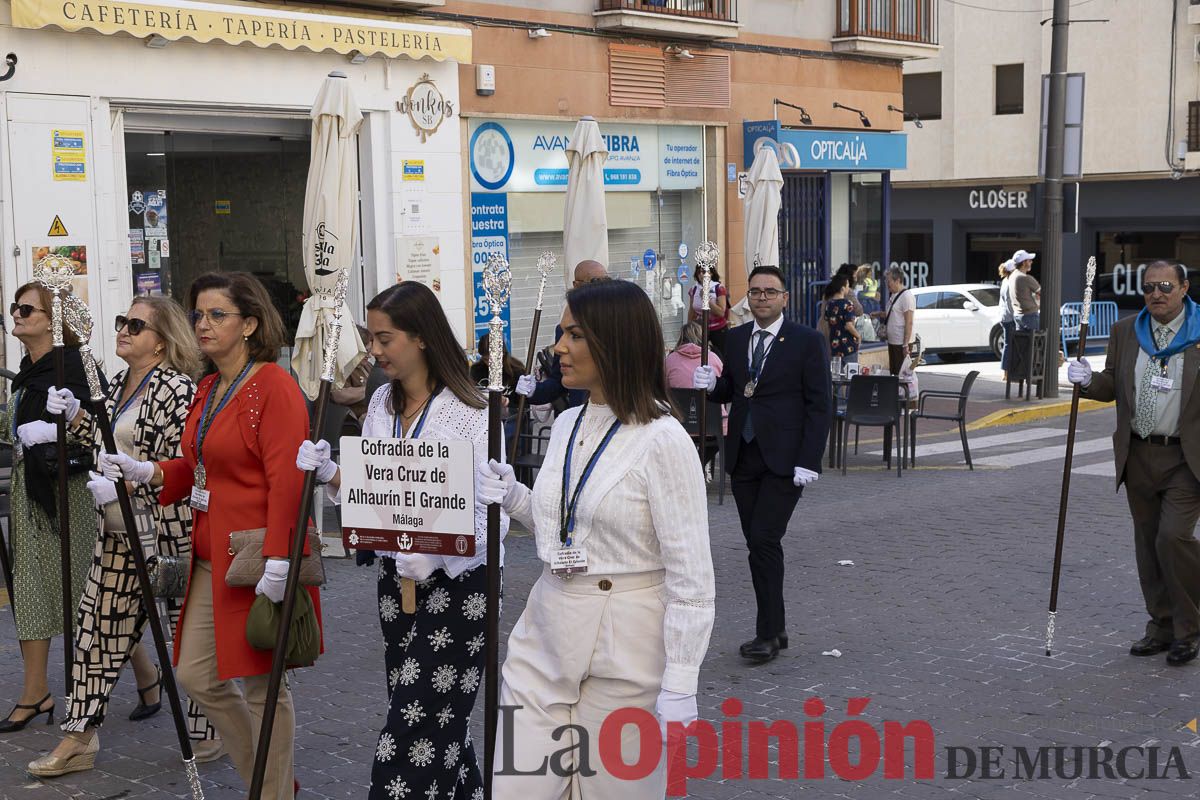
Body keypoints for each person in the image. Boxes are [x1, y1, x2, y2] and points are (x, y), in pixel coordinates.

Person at [478, 279, 715, 797]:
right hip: (546, 630)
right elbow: (563, 525)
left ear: (616, 342)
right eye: (561, 333)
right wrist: (514, 496)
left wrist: (681, 676)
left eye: (576, 335)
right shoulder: (565, 422)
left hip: (629, 645)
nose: (559, 347)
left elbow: (692, 575)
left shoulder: (664, 439)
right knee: (518, 788)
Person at [98, 272, 316, 800]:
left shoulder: (273, 386)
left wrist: (280, 560)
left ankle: (273, 793)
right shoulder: (210, 386)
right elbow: (196, 467)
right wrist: (145, 471)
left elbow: (288, 478)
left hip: (257, 554)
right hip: (209, 555)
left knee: (265, 685)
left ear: (250, 325)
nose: (203, 324)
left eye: (217, 314)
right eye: (198, 314)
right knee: (196, 674)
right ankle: (270, 781)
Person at [295, 281, 506, 800]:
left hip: (461, 589)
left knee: (413, 732)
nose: (375, 350)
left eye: (386, 339)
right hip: (397, 585)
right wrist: (330, 472)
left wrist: (436, 549)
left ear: (423, 338)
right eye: (372, 338)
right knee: (434, 720)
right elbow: (379, 491)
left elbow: (486, 509)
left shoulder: (472, 411)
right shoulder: (383, 404)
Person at [28, 296, 222, 776]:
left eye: (136, 325)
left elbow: (181, 464)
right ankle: (78, 738)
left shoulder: (175, 388)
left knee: (186, 639)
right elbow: (101, 442)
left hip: (165, 536)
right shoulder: (114, 383)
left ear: (161, 341)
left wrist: (131, 479)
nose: (124, 330)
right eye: (122, 322)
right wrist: (73, 416)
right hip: (117, 534)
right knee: (94, 630)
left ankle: (209, 730)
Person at [693, 265, 830, 664]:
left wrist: (809, 459)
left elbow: (818, 405)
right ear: (747, 298)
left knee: (765, 541)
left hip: (786, 461)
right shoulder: (735, 340)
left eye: (771, 292)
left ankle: (767, 634)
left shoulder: (806, 341)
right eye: (755, 292)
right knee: (757, 543)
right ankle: (778, 627)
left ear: (785, 297)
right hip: (744, 457)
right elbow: (734, 390)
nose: (762, 298)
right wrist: (711, 385)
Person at [1067, 260, 1200, 667]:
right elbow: (1112, 384)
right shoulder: (1127, 332)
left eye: (1164, 286)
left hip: (1186, 456)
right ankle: (1160, 626)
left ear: (1184, 288)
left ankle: (1188, 629)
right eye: (1148, 288)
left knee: (1172, 538)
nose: (1155, 294)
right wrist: (1087, 379)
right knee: (1146, 544)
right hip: (1138, 453)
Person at [0, 282, 98, 735]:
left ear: (52, 319)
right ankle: (35, 692)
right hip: (29, 490)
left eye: (26, 309)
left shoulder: (74, 366)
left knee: (86, 592)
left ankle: (145, 672)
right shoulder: (27, 370)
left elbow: (98, 431)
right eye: (15, 308)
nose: (16, 316)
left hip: (67, 493)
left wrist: (67, 423)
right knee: (33, 586)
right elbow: (13, 425)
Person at [513, 259, 608, 409]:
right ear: (576, 286)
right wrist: (534, 390)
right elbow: (559, 382)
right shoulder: (562, 330)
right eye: (594, 283)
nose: (559, 347)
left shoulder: (617, 326)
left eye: (605, 282)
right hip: (579, 414)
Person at [873, 266, 915, 375]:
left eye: (889, 281)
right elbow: (892, 314)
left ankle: (901, 392)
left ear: (898, 280)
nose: (887, 284)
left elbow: (909, 322)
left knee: (901, 374)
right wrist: (878, 314)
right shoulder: (894, 295)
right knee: (894, 372)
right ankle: (895, 392)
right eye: (886, 280)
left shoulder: (906, 296)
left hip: (901, 343)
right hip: (893, 341)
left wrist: (905, 345)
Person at [687, 260, 730, 357]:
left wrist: (706, 299)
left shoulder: (718, 288)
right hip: (700, 329)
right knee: (699, 355)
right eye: (700, 272)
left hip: (718, 329)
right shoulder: (694, 289)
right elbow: (691, 311)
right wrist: (689, 327)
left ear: (711, 273)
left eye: (705, 272)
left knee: (721, 356)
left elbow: (721, 312)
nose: (702, 275)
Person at [822, 275, 861, 365]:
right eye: (847, 286)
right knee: (850, 374)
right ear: (842, 289)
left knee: (837, 375)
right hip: (848, 346)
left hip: (835, 347)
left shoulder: (829, 305)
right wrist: (858, 336)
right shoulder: (848, 304)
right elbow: (848, 325)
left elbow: (828, 325)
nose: (849, 288)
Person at [1011, 250, 1040, 331]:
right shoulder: (1025, 278)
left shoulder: (1012, 276)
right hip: (1029, 316)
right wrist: (1036, 296)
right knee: (1035, 343)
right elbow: (1044, 294)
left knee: (1022, 343)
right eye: (1029, 260)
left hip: (1018, 315)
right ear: (1024, 263)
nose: (1032, 262)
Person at [998, 260, 1017, 378]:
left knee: (1008, 345)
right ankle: (1007, 373)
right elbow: (1010, 303)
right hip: (1010, 318)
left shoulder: (1005, 281)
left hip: (1004, 317)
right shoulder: (1010, 282)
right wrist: (1017, 317)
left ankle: (1007, 372)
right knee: (1010, 345)